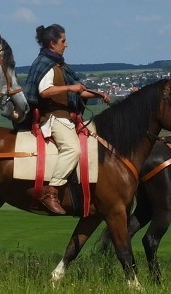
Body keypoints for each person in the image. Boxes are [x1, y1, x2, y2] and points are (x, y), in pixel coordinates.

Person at [23, 24, 110, 215]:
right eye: (63, 41)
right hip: (54, 117)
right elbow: (44, 91)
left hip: (67, 117)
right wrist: (70, 89)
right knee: (72, 148)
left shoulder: (59, 66)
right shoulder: (45, 64)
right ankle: (51, 192)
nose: (66, 45)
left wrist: (97, 94)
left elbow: (79, 91)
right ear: (52, 43)